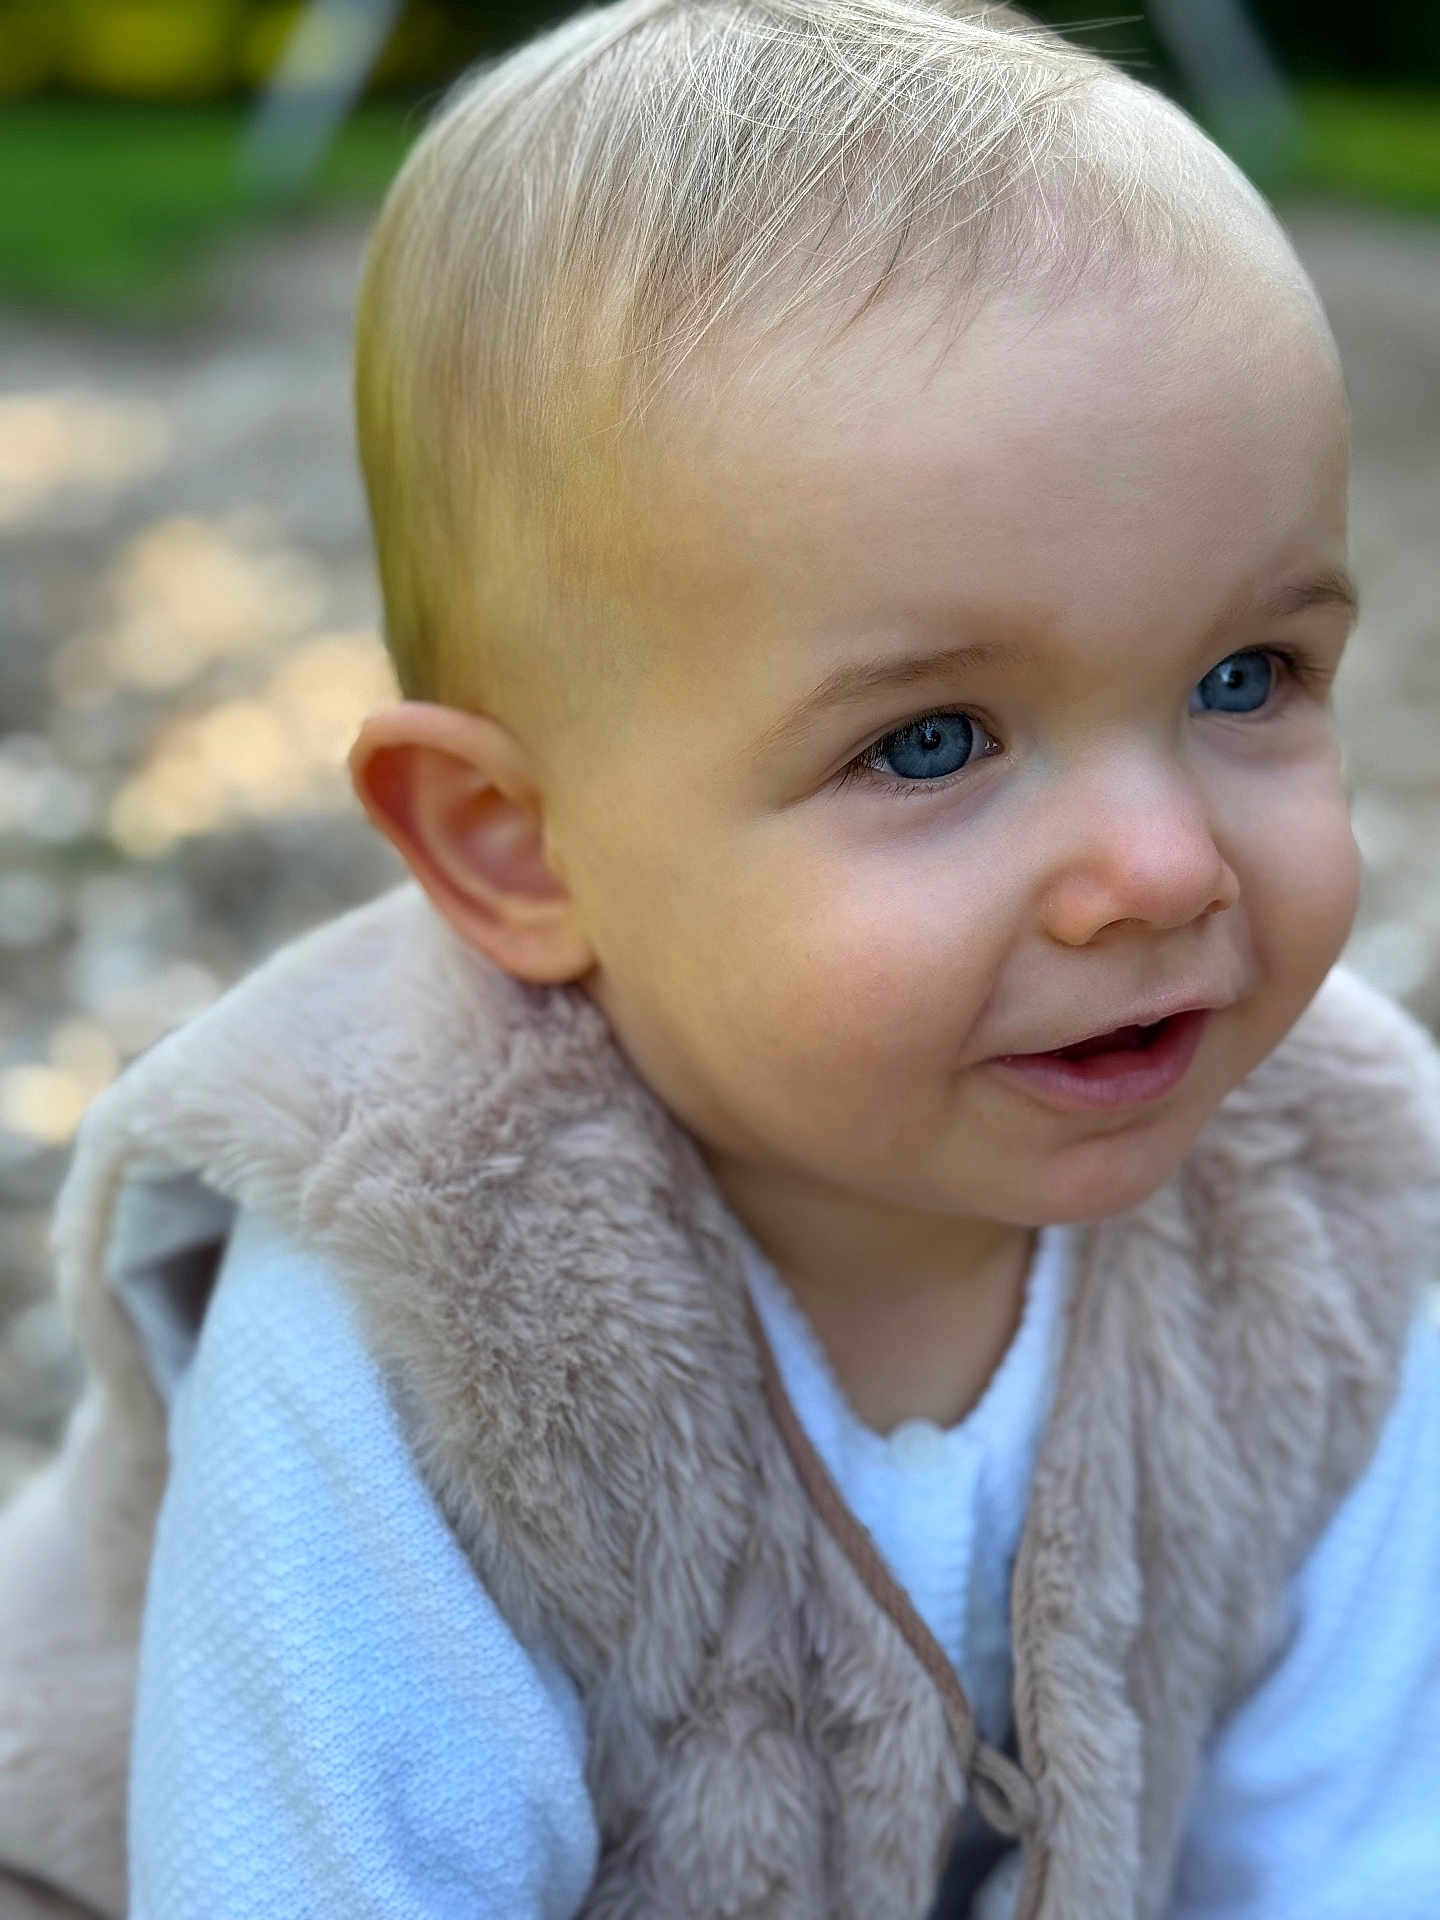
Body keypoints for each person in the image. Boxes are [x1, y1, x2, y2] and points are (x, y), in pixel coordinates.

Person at [1, 1, 1438, 1914]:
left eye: (1246, 677)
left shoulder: (1332, 1202)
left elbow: (1347, 1855)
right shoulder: (430, 1323)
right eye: (931, 742)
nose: (1166, 870)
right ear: (516, 850)